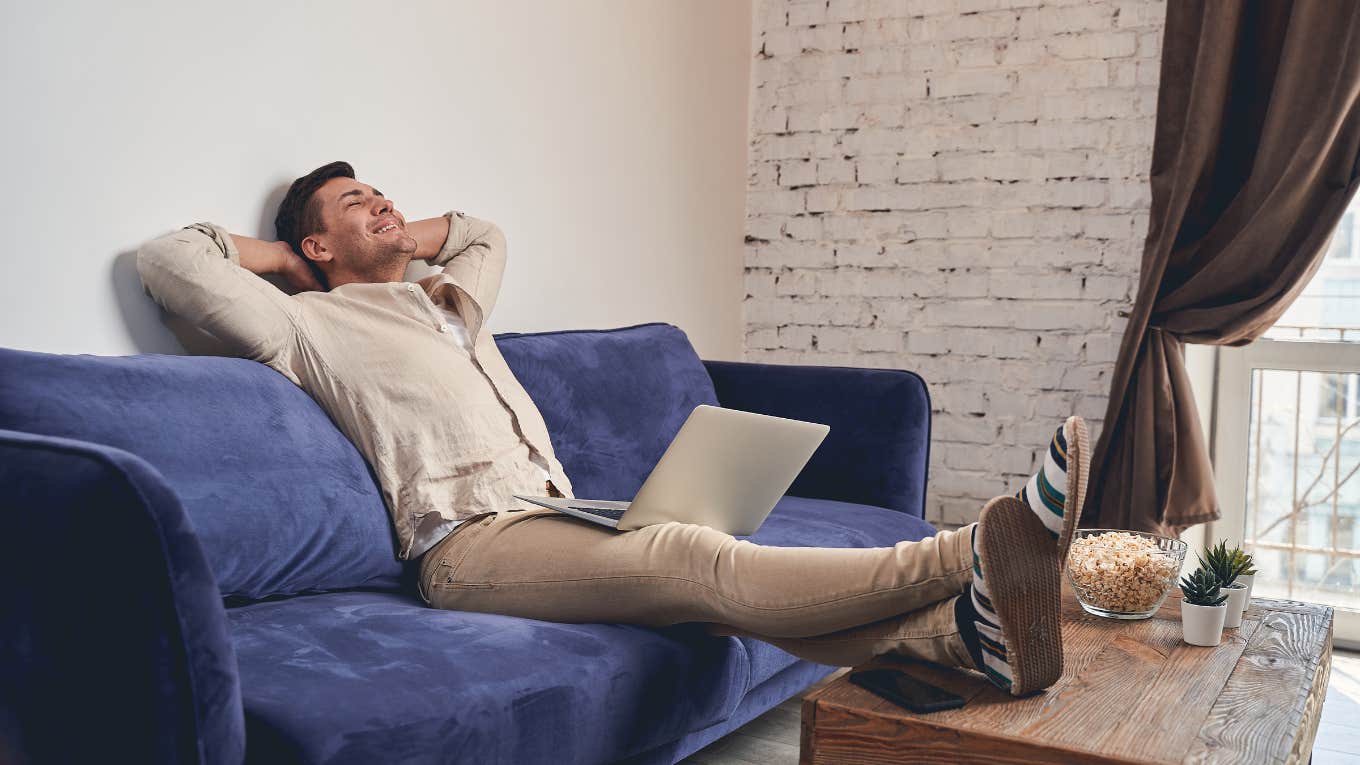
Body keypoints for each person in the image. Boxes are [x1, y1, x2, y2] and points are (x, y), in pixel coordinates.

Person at [136, 160, 1091, 697]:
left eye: (384, 191)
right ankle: (970, 554)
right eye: (356, 204)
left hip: (562, 515)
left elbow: (483, 231)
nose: (385, 203)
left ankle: (959, 637)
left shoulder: (450, 304)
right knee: (693, 557)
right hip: (466, 546)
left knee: (704, 570)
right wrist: (295, 265)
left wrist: (384, 232)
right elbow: (171, 260)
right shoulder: (305, 326)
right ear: (314, 244)